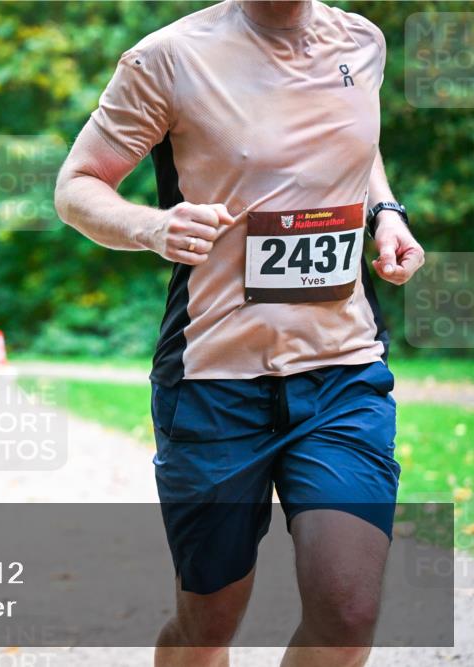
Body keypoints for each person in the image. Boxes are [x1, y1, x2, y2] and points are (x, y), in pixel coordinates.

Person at [54, 1, 424, 666]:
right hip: (215, 380)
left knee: (348, 613)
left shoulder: (362, 42)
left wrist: (386, 214)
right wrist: (152, 227)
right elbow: (77, 186)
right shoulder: (166, 58)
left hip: (343, 370)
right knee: (208, 626)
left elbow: (354, 147)